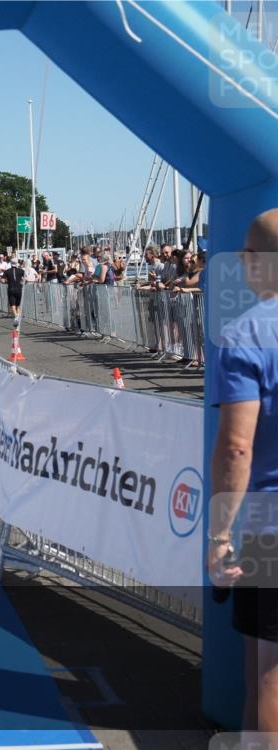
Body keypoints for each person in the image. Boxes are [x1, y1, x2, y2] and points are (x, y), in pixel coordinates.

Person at [208, 208, 278, 737]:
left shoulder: (248, 332)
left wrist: (219, 533)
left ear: (255, 263)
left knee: (269, 677)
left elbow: (236, 447)